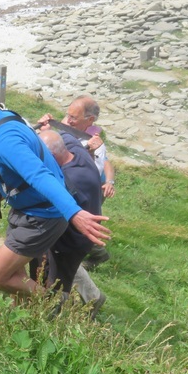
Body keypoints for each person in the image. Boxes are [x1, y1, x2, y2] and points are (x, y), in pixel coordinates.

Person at [0, 89, 111, 298]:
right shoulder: (0, 116)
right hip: (26, 209)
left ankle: (53, 303)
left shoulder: (5, 142)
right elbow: (2, 143)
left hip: (41, 215)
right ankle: (28, 315)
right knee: (14, 275)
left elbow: (40, 175)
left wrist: (74, 213)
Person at [37, 95, 115, 270]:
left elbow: (94, 169)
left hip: (89, 189)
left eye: (73, 118)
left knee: (82, 222)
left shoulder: (95, 141)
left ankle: (96, 255)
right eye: (68, 115)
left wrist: (109, 181)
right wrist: (45, 129)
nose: (68, 121)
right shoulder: (68, 125)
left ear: (90, 120)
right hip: (69, 183)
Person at [36, 130, 106, 318]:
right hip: (83, 230)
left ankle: (51, 320)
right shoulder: (77, 152)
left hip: (74, 238)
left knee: (59, 282)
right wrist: (45, 128)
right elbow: (65, 134)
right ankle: (94, 297)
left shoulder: (68, 180)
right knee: (68, 268)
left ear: (51, 156)